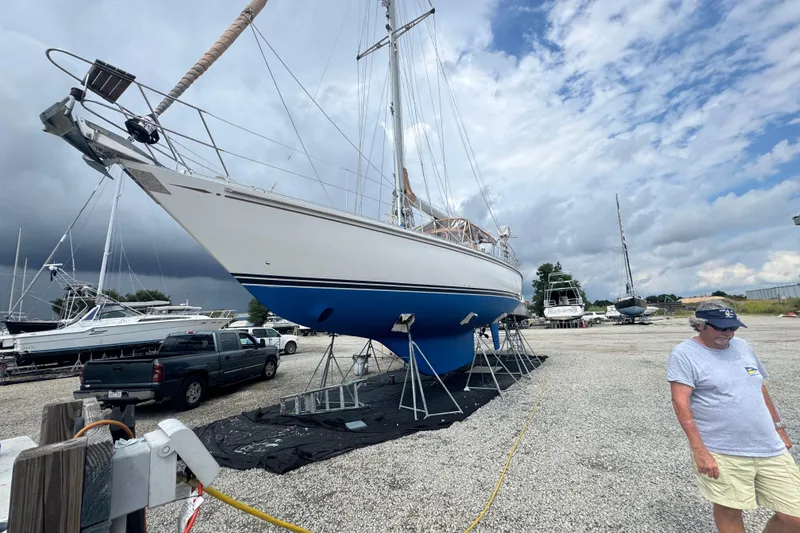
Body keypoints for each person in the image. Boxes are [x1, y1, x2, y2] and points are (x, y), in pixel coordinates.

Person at [668, 301, 800, 532]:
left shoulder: (742, 346)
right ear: (699, 325)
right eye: (721, 328)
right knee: (730, 510)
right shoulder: (684, 354)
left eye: (733, 328)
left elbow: (759, 388)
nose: (728, 333)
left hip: (769, 446)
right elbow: (680, 402)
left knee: (794, 516)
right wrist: (699, 450)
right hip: (722, 449)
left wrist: (779, 427)